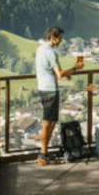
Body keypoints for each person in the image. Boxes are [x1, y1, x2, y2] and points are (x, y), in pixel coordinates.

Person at [34, 26, 81, 166]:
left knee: (52, 122)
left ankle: (44, 153)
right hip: (50, 91)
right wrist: (75, 69)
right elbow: (59, 74)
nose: (61, 41)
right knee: (47, 123)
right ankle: (43, 155)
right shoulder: (51, 53)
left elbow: (50, 70)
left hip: (43, 89)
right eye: (59, 38)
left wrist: (67, 74)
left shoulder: (40, 49)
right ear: (53, 38)